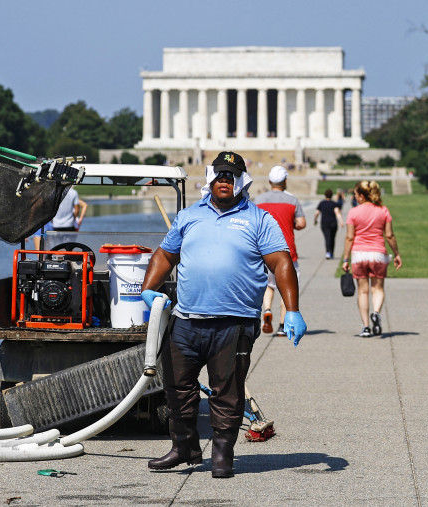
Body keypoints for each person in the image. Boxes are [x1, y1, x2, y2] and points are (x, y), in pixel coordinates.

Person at [140, 151, 307, 478]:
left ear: (242, 180)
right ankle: (183, 448)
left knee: (227, 392)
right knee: (177, 387)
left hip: (234, 324)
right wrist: (148, 288)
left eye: (231, 176)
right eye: (220, 175)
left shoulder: (259, 219)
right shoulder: (189, 216)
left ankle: (221, 455)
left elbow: (281, 262)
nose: (225, 181)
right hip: (186, 321)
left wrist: (294, 311)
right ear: (210, 178)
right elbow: (164, 254)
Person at [340, 181, 402, 337]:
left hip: (359, 254)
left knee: (362, 291)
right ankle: (376, 312)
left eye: (355, 194)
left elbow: (349, 237)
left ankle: (366, 327)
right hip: (378, 254)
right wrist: (396, 254)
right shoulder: (383, 210)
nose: (354, 197)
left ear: (361, 196)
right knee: (378, 289)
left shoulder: (353, 212)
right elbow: (389, 235)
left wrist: (345, 259)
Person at [254, 165, 306, 336]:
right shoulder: (292, 200)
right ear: (284, 182)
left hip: (263, 252)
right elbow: (302, 223)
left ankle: (267, 309)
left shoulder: (259, 200)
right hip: (287, 250)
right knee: (287, 288)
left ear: (270, 181)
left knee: (269, 286)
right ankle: (284, 325)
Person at [313, 189, 345, 260]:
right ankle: (332, 252)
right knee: (332, 238)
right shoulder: (334, 203)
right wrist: (341, 222)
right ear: (331, 195)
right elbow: (337, 213)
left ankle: (328, 252)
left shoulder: (322, 203)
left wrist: (315, 220)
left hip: (325, 223)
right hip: (333, 223)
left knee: (327, 237)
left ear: (325, 195)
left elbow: (317, 213)